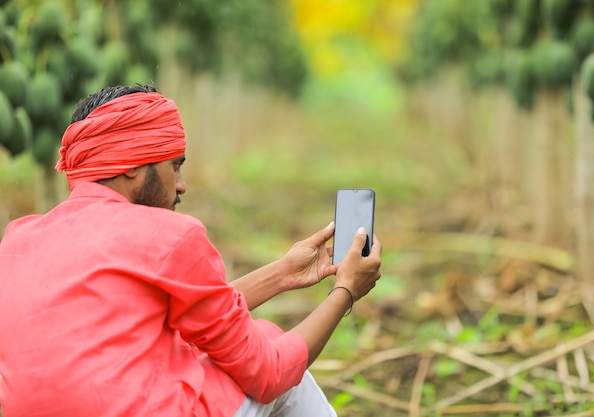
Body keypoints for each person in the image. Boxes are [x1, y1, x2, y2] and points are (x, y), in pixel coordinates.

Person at [0, 84, 382, 417]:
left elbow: (176, 318)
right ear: (132, 165)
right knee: (271, 346)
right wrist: (345, 290)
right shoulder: (166, 234)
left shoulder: (18, 239)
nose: (181, 186)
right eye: (174, 166)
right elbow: (270, 375)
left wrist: (283, 273)